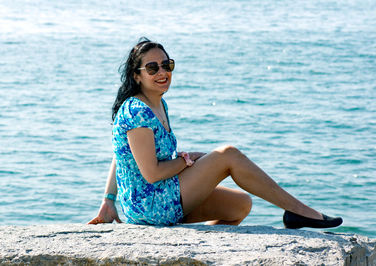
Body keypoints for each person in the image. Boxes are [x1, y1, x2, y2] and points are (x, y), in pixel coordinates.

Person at [88, 38, 343, 229]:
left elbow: (120, 154)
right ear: (137, 75)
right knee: (227, 155)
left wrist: (109, 199)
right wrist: (186, 161)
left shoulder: (157, 103)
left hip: (161, 196)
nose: (163, 72)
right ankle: (299, 211)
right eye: (152, 68)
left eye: (167, 65)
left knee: (240, 205)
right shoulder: (137, 111)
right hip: (151, 205)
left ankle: (197, 253)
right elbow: (152, 174)